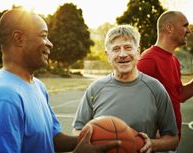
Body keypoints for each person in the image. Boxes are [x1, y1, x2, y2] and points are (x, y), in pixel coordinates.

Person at [0, 9, 121, 153]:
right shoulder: (3, 98)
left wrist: (98, 138)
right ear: (19, 38)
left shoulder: (37, 86)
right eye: (43, 36)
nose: (50, 44)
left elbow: (51, 139)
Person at [72, 25, 179, 153]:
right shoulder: (95, 89)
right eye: (116, 49)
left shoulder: (156, 88)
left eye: (128, 47)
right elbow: (77, 129)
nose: (122, 54)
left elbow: (173, 139)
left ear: (138, 51)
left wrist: (152, 144)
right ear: (108, 55)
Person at [137, 11, 193, 140]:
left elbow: (179, 95)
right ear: (169, 28)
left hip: (170, 140)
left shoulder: (173, 60)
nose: (189, 31)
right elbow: (132, 102)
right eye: (185, 25)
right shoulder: (148, 61)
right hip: (155, 143)